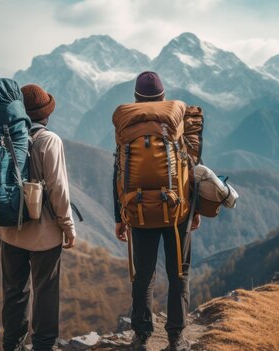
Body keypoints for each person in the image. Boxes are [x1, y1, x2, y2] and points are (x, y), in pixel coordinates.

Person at [113, 71, 200, 351]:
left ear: (137, 99)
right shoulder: (175, 121)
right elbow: (191, 169)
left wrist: (120, 217)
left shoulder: (127, 124)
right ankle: (176, 338)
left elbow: (118, 172)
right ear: (163, 98)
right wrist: (194, 210)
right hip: (177, 211)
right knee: (179, 273)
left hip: (138, 210)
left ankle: (141, 336)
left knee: (143, 274)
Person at [0, 84, 77, 351]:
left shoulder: (4, 136)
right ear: (45, 115)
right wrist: (67, 226)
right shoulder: (49, 140)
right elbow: (58, 189)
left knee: (14, 293)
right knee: (45, 291)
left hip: (10, 231)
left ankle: (12, 345)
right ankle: (43, 346)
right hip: (44, 236)